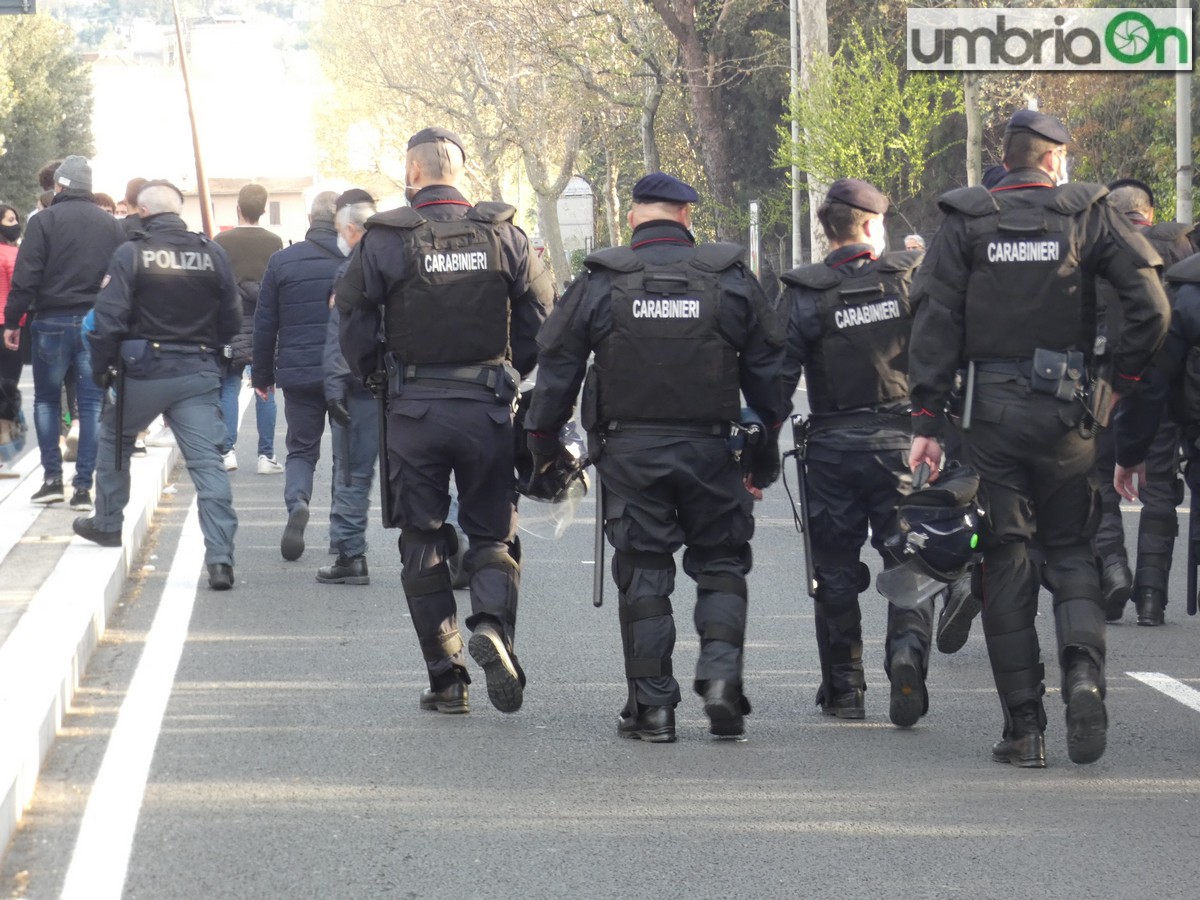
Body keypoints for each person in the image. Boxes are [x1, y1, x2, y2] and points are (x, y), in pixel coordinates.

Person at [907, 110, 1170, 768]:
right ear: (1055, 161)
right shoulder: (1087, 214)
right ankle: (1083, 681)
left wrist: (926, 421)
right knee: (1073, 551)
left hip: (988, 416)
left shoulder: (967, 220)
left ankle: (1024, 729)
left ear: (1010, 157)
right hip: (1068, 411)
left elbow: (933, 318)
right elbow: (1151, 304)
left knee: (1005, 561)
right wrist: (1118, 381)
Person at [526, 172, 785, 741]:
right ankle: (721, 681)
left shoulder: (602, 281)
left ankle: (653, 708)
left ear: (632, 219)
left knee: (644, 572)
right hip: (714, 449)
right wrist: (761, 451)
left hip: (631, 452)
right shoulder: (729, 278)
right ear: (687, 218)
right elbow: (770, 370)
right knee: (720, 562)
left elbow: (558, 371)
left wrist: (543, 445)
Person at [336, 126, 555, 715]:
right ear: (458, 171)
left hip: (412, 410)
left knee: (423, 539)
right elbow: (542, 316)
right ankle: (490, 625)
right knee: (493, 532)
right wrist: (509, 370)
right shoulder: (504, 233)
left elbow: (353, 320)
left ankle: (447, 677)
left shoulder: (384, 240)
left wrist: (377, 378)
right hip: (486, 407)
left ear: (413, 173)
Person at [776, 178, 934, 727]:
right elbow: (943, 354)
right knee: (910, 557)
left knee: (836, 568)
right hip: (902, 446)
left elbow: (777, 376)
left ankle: (845, 691)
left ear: (828, 232)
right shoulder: (908, 281)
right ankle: (907, 651)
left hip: (832, 450)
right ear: (870, 226)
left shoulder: (805, 292)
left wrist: (754, 450)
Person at [72, 180, 240, 590]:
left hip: (143, 371)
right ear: (179, 210)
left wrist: (102, 369)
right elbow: (233, 318)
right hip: (198, 370)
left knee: (115, 439)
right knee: (207, 464)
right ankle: (220, 560)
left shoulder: (131, 253)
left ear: (142, 212)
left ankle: (108, 523)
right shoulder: (211, 252)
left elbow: (108, 319)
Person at [1092, 179, 1194, 626]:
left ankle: (1113, 569)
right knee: (1159, 489)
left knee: (1099, 482)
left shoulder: (1093, 252)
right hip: (1162, 385)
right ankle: (1152, 596)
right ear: (1149, 213)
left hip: (1101, 388)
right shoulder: (1179, 254)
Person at [2, 156, 127, 509]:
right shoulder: (111, 225)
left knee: (45, 401)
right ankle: (84, 487)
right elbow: (121, 276)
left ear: (60, 186)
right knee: (90, 406)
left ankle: (53, 480)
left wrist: (13, 321)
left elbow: (27, 276)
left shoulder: (44, 222)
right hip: (94, 323)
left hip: (50, 321)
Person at [253, 190, 343, 560]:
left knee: (301, 450)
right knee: (347, 456)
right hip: (346, 374)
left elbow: (265, 324)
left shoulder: (282, 261)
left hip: (298, 371)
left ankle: (298, 503)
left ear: (310, 219)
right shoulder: (356, 261)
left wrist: (262, 376)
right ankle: (343, 538)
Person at [319, 188, 379, 585]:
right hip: (408, 387)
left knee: (353, 473)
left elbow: (342, 332)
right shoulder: (408, 254)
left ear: (351, 229)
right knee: (430, 474)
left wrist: (334, 386)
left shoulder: (352, 268)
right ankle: (455, 546)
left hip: (360, 388)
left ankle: (349, 553)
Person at [213, 183, 284, 475]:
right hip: (264, 322)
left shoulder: (221, 241)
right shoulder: (274, 241)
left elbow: (215, 284)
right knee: (264, 388)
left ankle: (227, 451)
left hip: (230, 322)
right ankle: (265, 456)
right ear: (264, 210)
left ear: (238, 208)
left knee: (229, 386)